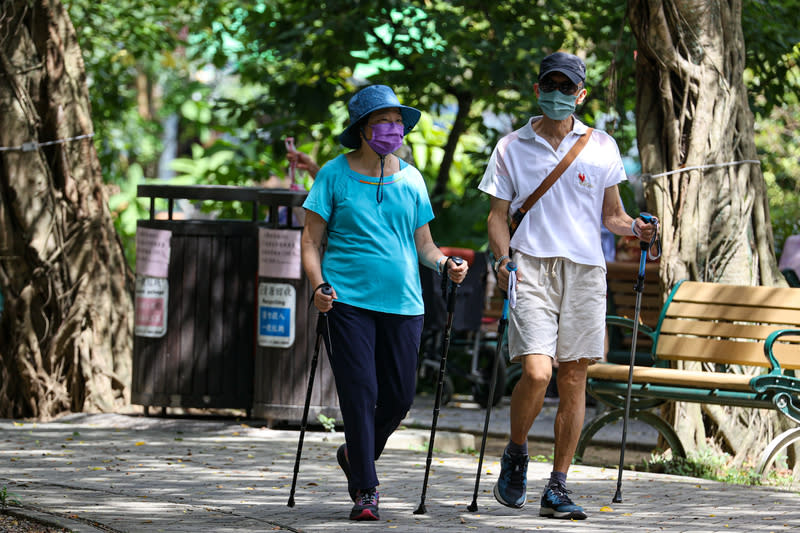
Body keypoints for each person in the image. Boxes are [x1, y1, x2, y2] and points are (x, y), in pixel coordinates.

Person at [477, 52, 656, 520]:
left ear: (580, 95)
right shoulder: (510, 146)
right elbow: (498, 217)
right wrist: (502, 258)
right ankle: (516, 452)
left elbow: (612, 216)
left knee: (574, 377)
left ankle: (557, 485)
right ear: (537, 90)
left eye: (566, 87)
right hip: (530, 266)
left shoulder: (601, 146)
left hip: (584, 270)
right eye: (548, 85)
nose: (557, 93)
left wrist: (636, 229)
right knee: (537, 372)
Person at [301, 84, 468, 521]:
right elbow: (310, 240)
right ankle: (366, 490)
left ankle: (356, 455)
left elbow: (425, 246)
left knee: (398, 397)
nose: (394, 129)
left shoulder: (411, 179)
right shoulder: (334, 175)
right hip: (347, 301)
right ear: (362, 129)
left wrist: (446, 263)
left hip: (405, 305)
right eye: (384, 122)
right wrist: (318, 285)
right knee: (360, 393)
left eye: (398, 122)